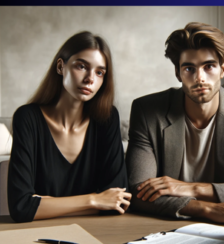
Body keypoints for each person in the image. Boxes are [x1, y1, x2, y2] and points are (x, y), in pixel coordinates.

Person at [126, 22, 224, 222]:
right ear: (178, 73)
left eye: (209, 66)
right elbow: (138, 193)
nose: (200, 78)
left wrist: (193, 188)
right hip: (165, 224)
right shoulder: (147, 111)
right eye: (189, 68)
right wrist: (205, 209)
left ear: (222, 69)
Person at [7, 31, 131, 223]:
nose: (90, 78)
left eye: (99, 72)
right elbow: (21, 208)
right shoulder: (27, 118)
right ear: (60, 66)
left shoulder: (107, 118)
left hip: (98, 234)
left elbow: (118, 203)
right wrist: (95, 200)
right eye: (81, 66)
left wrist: (45, 204)